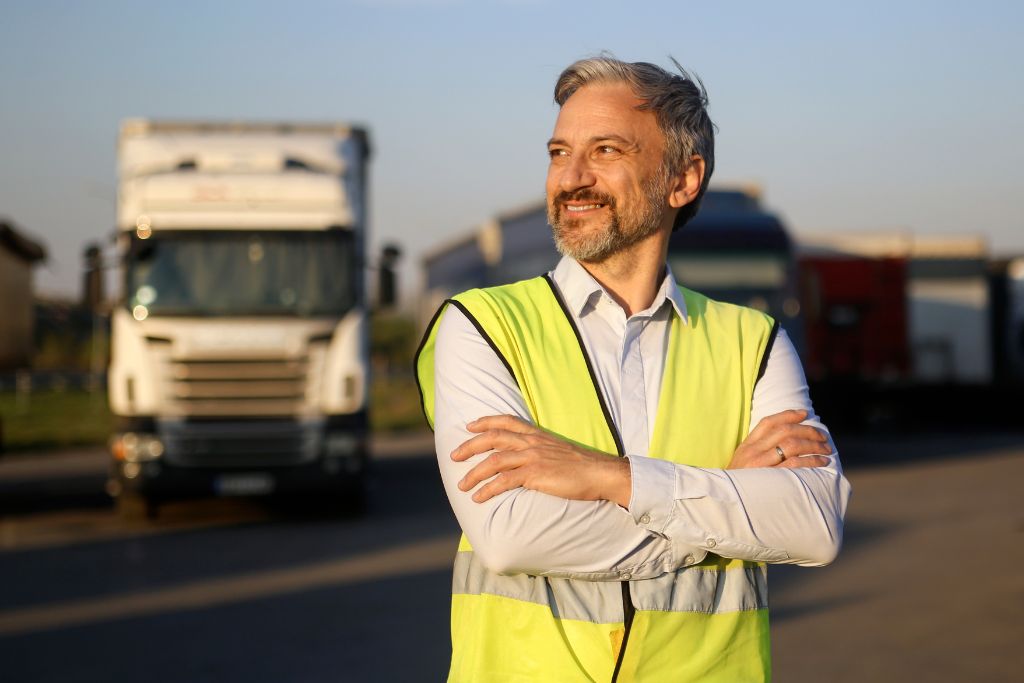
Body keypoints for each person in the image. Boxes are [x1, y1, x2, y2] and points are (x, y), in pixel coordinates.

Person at [415, 56, 851, 682]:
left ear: (683, 179)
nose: (571, 178)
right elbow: (510, 534)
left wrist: (612, 479)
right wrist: (722, 496)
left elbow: (812, 525)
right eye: (559, 152)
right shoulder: (483, 325)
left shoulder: (752, 341)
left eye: (606, 150)